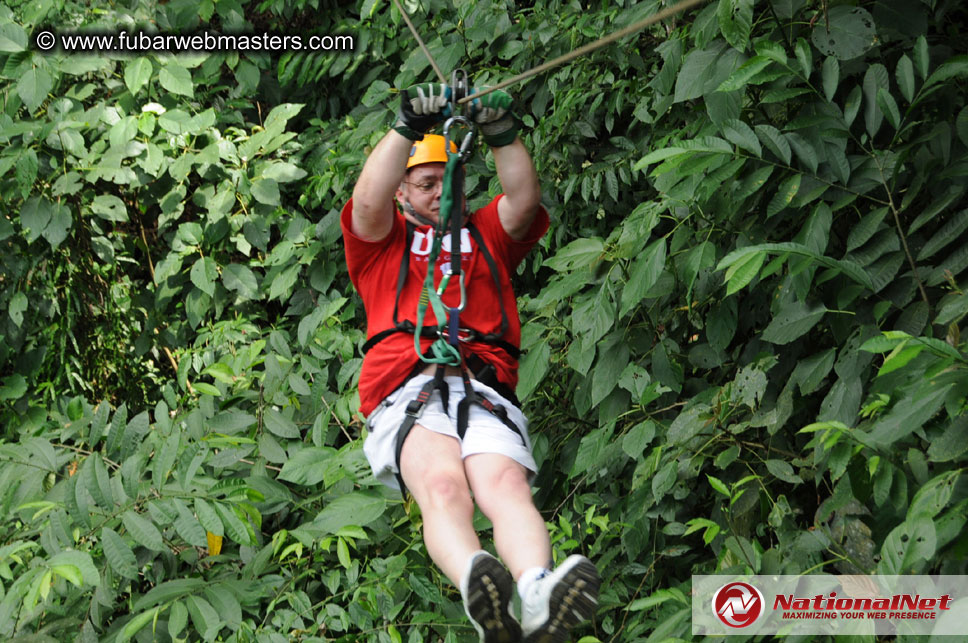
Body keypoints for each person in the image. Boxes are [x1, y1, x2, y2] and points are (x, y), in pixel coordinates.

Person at [341, 82, 599, 643]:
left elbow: (524, 198)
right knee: (442, 486)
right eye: (426, 183)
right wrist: (407, 123)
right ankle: (480, 586)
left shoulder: (485, 235)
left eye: (446, 181)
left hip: (482, 390)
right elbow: (366, 201)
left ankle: (534, 592)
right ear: (404, 192)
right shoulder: (382, 241)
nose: (439, 192)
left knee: (505, 484)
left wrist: (500, 131)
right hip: (409, 389)